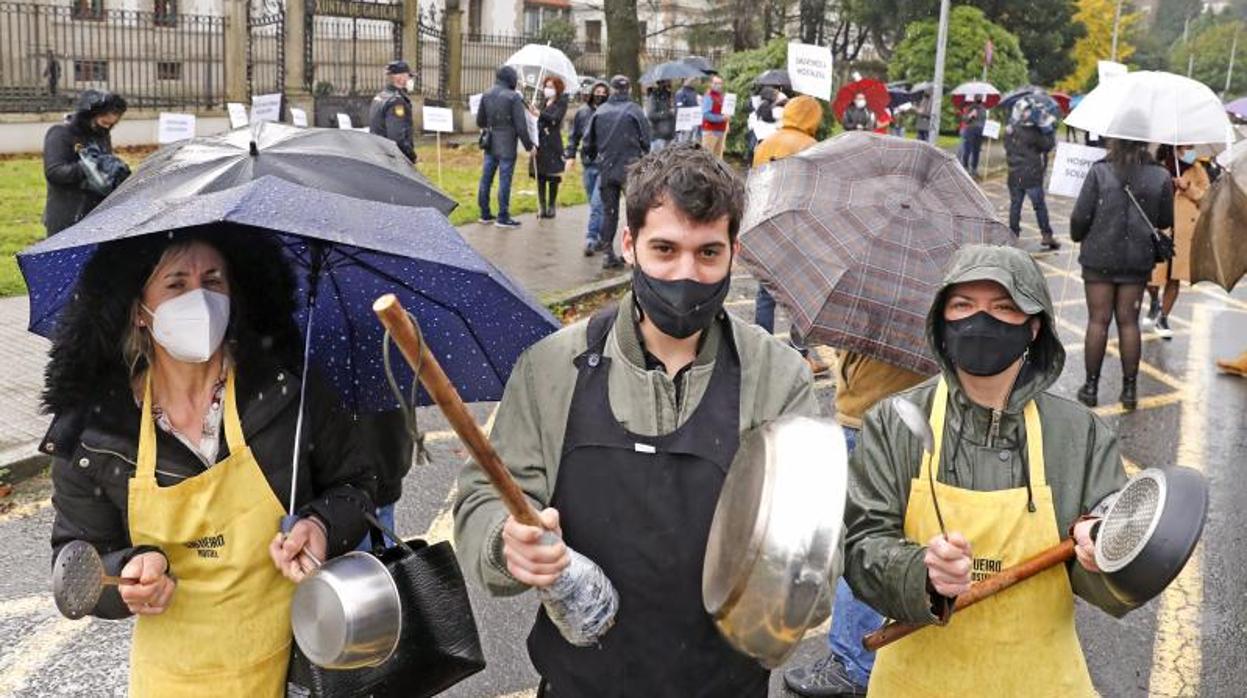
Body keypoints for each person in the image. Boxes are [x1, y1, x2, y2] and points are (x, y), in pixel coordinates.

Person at [453, 144, 819, 697]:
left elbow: (809, 537)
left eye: (707, 254)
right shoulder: (552, 367)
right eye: (664, 249)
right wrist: (505, 543)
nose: (685, 275)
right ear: (629, 244)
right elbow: (486, 492)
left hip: (723, 684)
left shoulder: (778, 377)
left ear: (733, 254)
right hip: (583, 680)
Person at [43, 231, 376, 696]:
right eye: (176, 285)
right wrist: (123, 578)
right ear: (140, 310)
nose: (199, 299)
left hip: (297, 666)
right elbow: (74, 559)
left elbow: (357, 485)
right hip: (172, 681)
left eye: (212, 281)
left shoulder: (286, 393)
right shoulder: (99, 434)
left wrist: (321, 526)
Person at [845, 244, 1140, 697]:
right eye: (963, 305)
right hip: (915, 682)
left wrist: (1103, 557)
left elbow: (1112, 574)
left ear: (1035, 326)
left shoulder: (1079, 434)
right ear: (941, 321)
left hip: (1040, 682)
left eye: (1004, 308)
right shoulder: (894, 422)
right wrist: (918, 574)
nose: (981, 321)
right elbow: (861, 543)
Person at [783, 350, 930, 697]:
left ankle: (853, 664)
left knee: (858, 542)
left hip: (868, 419)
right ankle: (859, 655)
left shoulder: (890, 304)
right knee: (886, 538)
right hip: (903, 420)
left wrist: (843, 359)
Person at [1070, 138, 1173, 410]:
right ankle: (1129, 391)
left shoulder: (1099, 171)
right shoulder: (1160, 174)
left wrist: (1076, 235)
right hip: (1137, 260)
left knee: (1098, 321)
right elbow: (1164, 221)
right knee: (1129, 323)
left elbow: (1080, 217)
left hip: (1098, 257)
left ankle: (1091, 388)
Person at [751, 95, 830, 377]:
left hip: (767, 225)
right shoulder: (812, 147)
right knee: (801, 296)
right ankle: (799, 356)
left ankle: (760, 352)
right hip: (798, 229)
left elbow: (755, 182)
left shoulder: (766, 143)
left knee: (766, 293)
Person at [1141, 144, 1209, 339]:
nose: (1191, 150)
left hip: (1184, 233)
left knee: (1174, 277)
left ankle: (1163, 317)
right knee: (1151, 278)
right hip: (1159, 230)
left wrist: (1188, 188)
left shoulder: (1197, 170)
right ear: (1176, 147)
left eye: (1192, 146)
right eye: (1187, 146)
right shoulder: (1157, 167)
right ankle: (1155, 302)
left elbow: (1207, 199)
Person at [582, 75, 650, 270]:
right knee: (634, 213)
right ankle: (635, 253)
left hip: (607, 168)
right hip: (631, 168)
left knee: (609, 213)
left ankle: (607, 253)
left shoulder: (600, 111)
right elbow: (646, 140)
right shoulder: (635, 111)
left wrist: (595, 157)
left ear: (611, 89)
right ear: (628, 89)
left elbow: (588, 144)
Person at [42, 89, 129, 236]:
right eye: (103, 122)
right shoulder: (60, 133)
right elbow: (54, 172)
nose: (107, 128)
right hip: (67, 215)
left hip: (96, 215)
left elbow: (103, 170)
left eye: (111, 125)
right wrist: (90, 167)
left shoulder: (102, 136)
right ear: (89, 116)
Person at [477, 65, 535, 229]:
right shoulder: (513, 97)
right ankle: (503, 216)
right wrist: (529, 146)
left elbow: (480, 121)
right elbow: (521, 126)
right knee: (505, 180)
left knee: (486, 178)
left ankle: (485, 213)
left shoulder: (487, 93)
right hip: (508, 143)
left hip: (490, 141)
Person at [566, 80, 610, 256]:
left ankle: (591, 238)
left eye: (603, 91)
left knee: (597, 203)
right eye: (597, 91)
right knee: (594, 204)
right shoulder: (583, 112)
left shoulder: (609, 113)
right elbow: (574, 136)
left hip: (604, 164)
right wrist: (570, 155)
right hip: (588, 162)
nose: (600, 94)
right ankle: (601, 236)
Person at [1004, 111, 1059, 250]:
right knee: (1039, 206)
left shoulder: (1010, 131)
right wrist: (1048, 129)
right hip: (1031, 175)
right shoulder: (1035, 132)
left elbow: (1007, 147)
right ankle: (1046, 235)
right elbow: (1048, 146)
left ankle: (1013, 235)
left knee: (1015, 205)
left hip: (1014, 174)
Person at [533, 76, 569, 219]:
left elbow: (555, 119)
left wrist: (540, 114)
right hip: (540, 141)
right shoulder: (543, 102)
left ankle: (551, 205)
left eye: (551, 87)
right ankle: (541, 205)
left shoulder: (561, 103)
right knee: (540, 175)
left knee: (553, 175)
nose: (548, 89)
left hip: (553, 142)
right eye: (546, 86)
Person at [368, 60, 415, 163]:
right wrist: (412, 156)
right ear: (400, 78)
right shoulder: (396, 102)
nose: (410, 80)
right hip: (392, 158)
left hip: (378, 153)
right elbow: (397, 137)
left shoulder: (380, 96)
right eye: (409, 76)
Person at [701, 74, 729, 158]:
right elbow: (706, 114)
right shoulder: (708, 96)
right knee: (707, 158)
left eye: (720, 83)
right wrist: (721, 118)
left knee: (718, 159)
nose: (718, 85)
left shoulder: (721, 96)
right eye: (715, 83)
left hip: (721, 130)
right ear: (711, 84)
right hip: (710, 131)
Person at [959, 96, 987, 177]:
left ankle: (974, 169)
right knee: (967, 150)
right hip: (970, 131)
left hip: (979, 132)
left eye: (980, 97)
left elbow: (984, 121)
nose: (979, 99)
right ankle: (965, 167)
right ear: (974, 99)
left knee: (976, 151)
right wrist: (970, 115)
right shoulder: (970, 107)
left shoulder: (984, 109)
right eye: (977, 97)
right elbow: (964, 119)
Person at [646, 79, 676, 151]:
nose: (670, 83)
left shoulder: (669, 95)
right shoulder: (654, 97)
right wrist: (667, 113)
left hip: (670, 134)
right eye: (667, 81)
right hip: (659, 136)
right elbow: (651, 115)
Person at [675, 76, 702, 144]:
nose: (693, 80)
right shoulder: (680, 93)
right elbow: (679, 110)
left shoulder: (694, 92)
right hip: (685, 126)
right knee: (683, 146)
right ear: (685, 79)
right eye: (691, 78)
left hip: (694, 123)